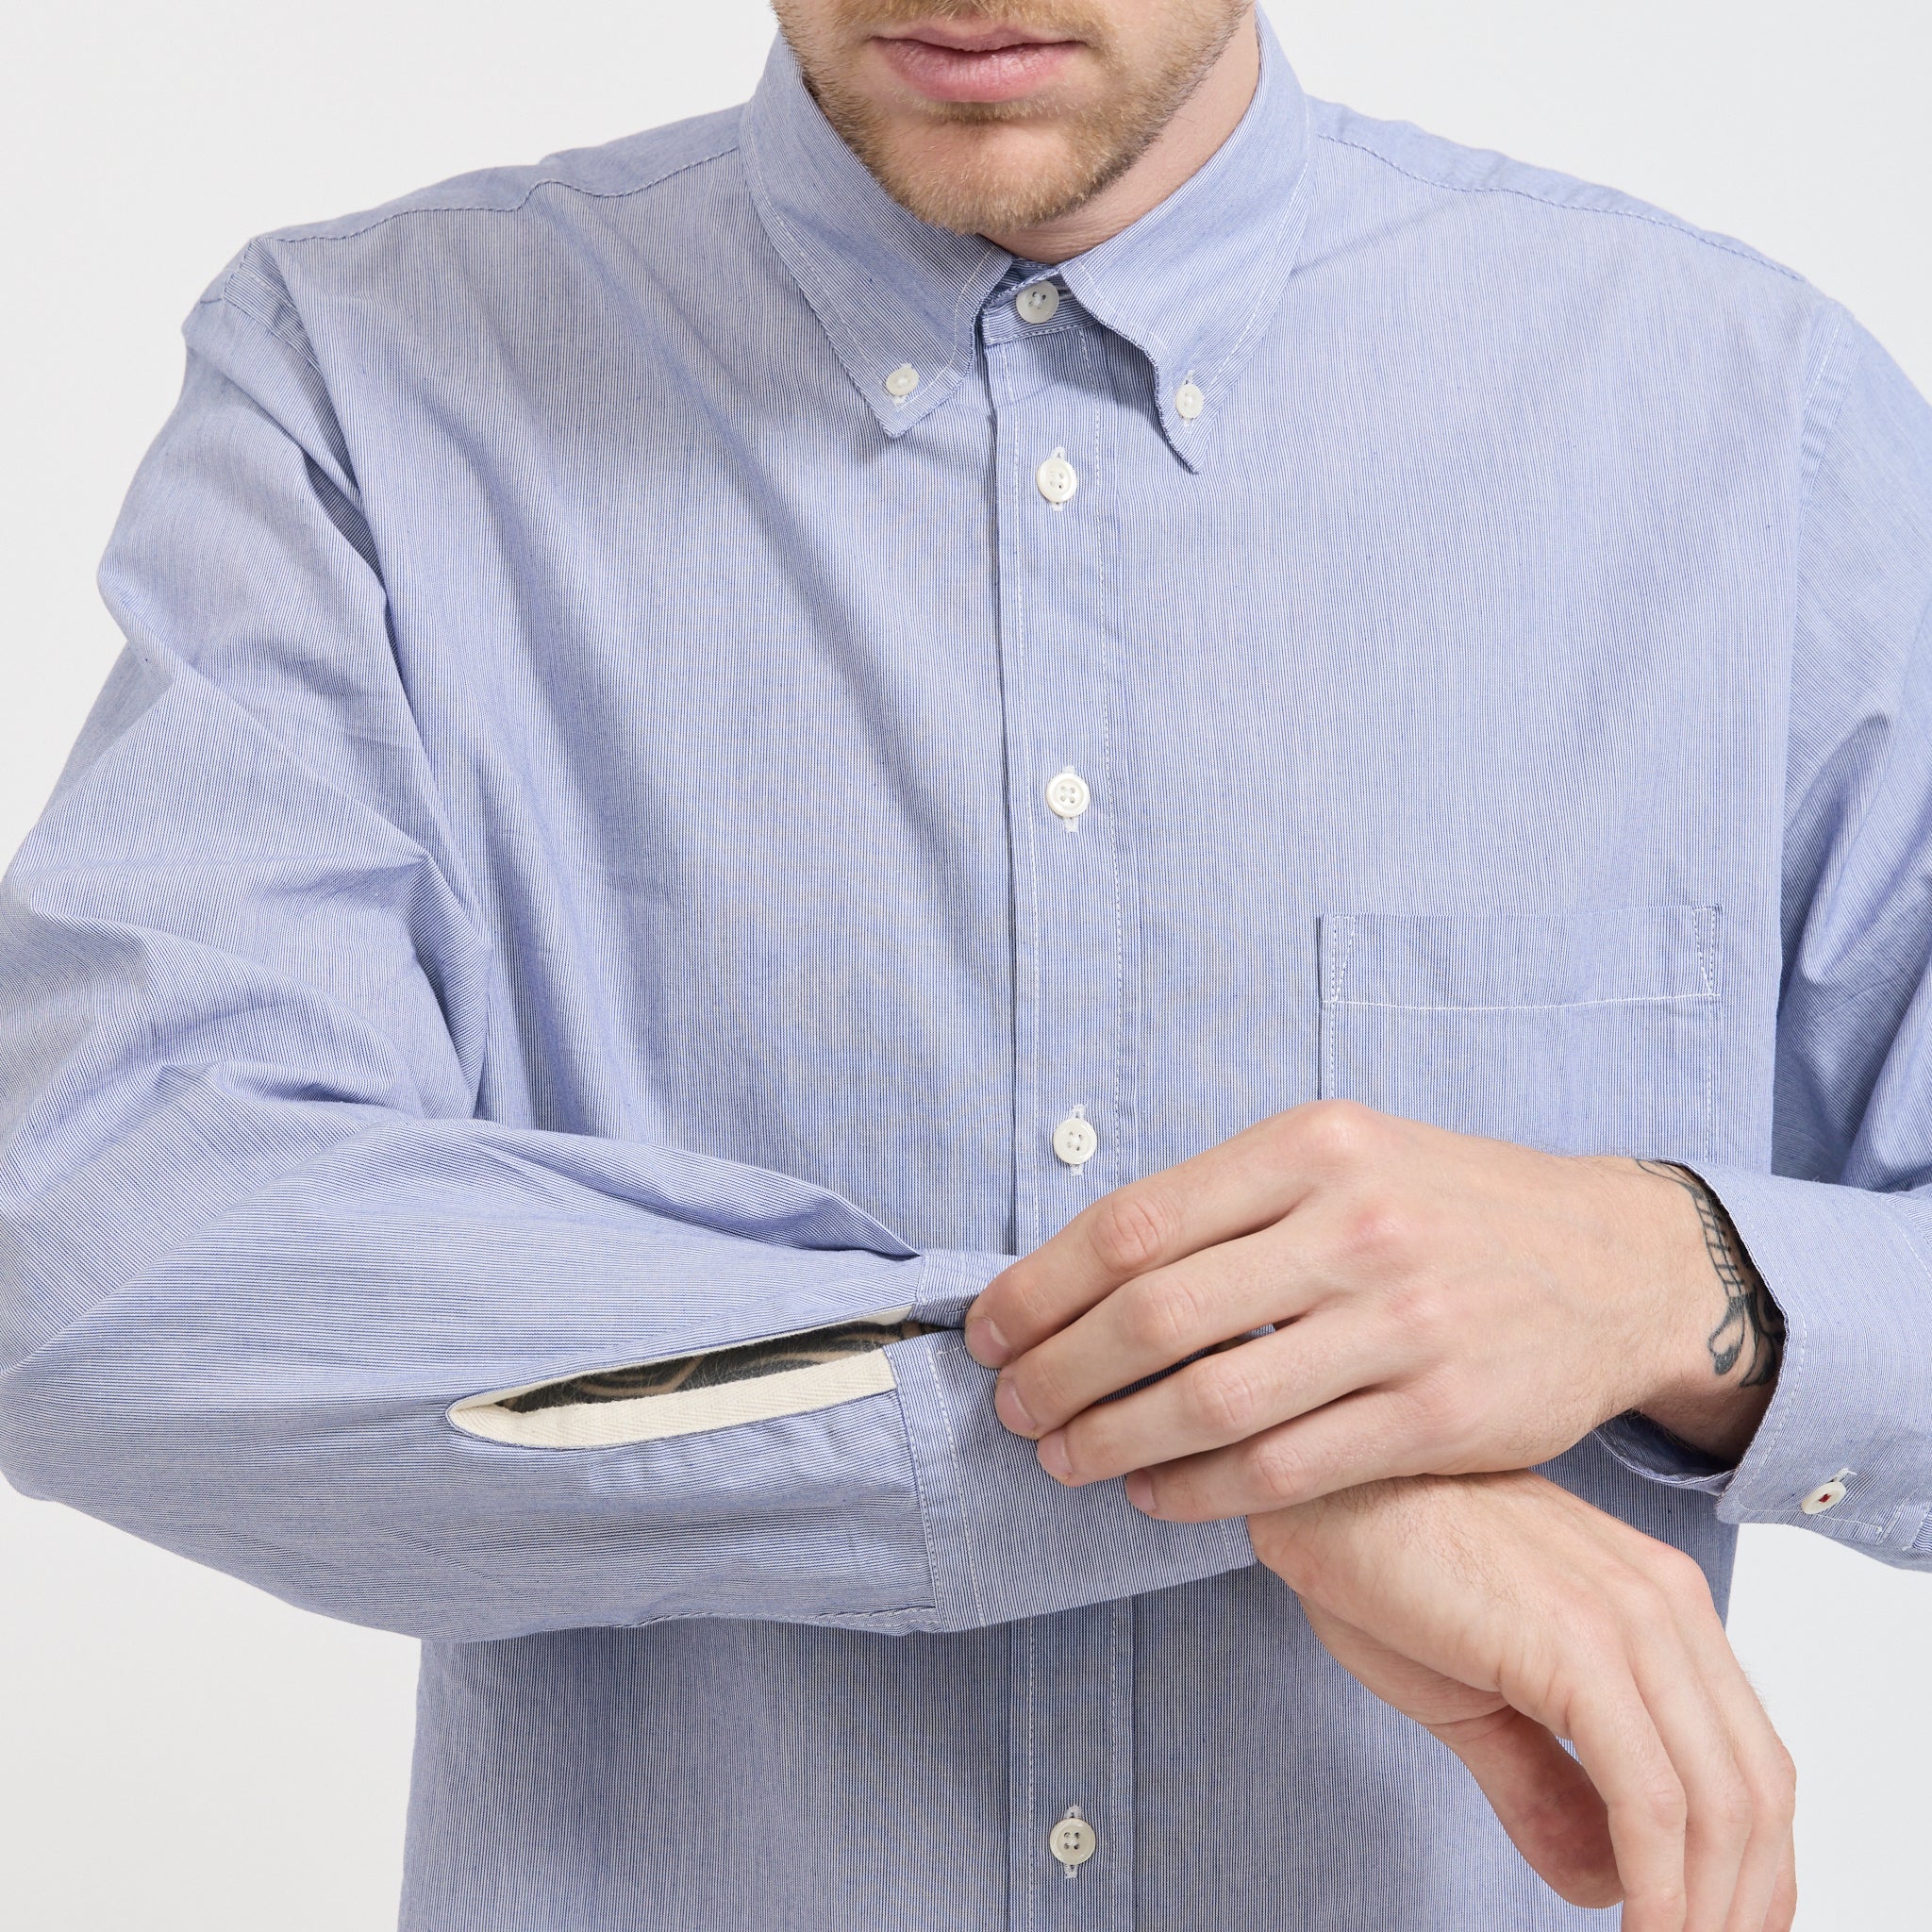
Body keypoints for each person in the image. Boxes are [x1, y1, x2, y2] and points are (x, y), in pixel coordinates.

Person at [3, 0, 1928, 1924]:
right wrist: (1237, 1452)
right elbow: (102, 1245)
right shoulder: (366, 387)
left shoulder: (1753, 429)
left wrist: (1678, 1274)